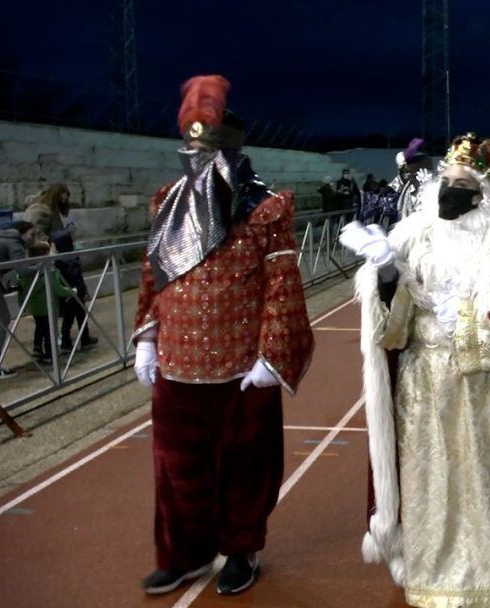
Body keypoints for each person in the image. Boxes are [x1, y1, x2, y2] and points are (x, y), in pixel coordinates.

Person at [342, 132, 490, 607]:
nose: (451, 188)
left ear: (485, 193)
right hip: (423, 385)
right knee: (429, 483)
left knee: (485, 484)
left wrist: (473, 317)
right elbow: (393, 329)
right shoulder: (413, 236)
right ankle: (430, 576)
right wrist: (387, 274)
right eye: (446, 179)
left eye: (462, 182)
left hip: (485, 388)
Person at [131, 75, 314, 597]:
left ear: (228, 151)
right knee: (176, 468)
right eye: (189, 146)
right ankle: (183, 553)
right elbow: (153, 273)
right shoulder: (166, 201)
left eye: (205, 147)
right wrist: (147, 336)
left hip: (240, 366)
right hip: (177, 364)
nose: (195, 155)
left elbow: (281, 284)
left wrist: (271, 355)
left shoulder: (264, 206)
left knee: (245, 467)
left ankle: (240, 549)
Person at [0, 220, 38, 379]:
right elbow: (22, 269)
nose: (34, 239)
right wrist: (44, 264)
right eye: (32, 234)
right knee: (1, 319)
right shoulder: (15, 243)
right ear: (21, 233)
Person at [19, 242, 72, 364]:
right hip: (47, 305)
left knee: (40, 326)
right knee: (50, 329)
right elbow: (58, 289)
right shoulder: (49, 270)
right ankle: (50, 353)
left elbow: (22, 290)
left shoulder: (26, 271)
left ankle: (37, 348)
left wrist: (22, 304)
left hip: (34, 306)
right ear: (45, 254)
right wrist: (72, 292)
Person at [50, 229, 97, 353]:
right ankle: (70, 342)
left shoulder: (58, 260)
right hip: (73, 293)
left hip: (66, 293)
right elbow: (77, 277)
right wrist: (83, 290)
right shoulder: (70, 259)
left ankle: (81, 339)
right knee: (74, 318)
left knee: (74, 317)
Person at [394, 138, 435, 219]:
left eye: (407, 169)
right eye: (405, 170)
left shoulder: (432, 180)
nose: (406, 173)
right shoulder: (407, 184)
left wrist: (428, 187)